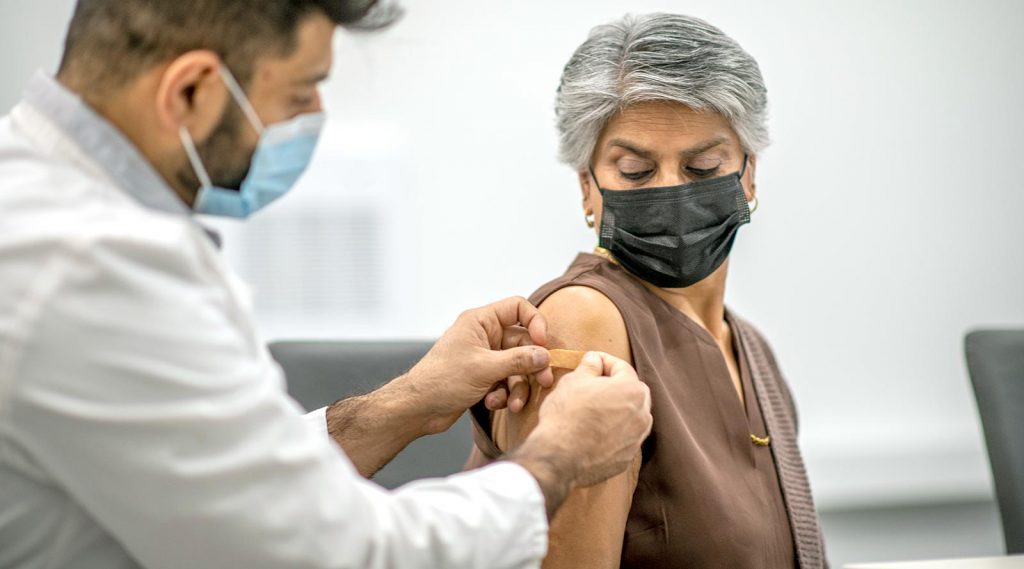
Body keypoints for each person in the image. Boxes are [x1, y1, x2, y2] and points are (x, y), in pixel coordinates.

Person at [0, 1, 654, 568]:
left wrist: (406, 402)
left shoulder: (39, 204)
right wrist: (556, 459)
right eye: (301, 92)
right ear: (192, 91)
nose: (317, 113)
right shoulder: (90, 266)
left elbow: (226, 485)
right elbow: (336, 552)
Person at [468, 13, 828, 569]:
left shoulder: (751, 347)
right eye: (635, 171)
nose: (671, 193)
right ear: (588, 187)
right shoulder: (585, 321)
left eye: (703, 166)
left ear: (749, 174)